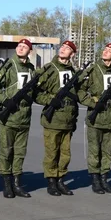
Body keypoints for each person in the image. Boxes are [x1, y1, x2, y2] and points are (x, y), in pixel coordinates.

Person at [35, 40, 79, 196]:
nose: (63, 49)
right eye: (63, 47)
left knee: (65, 153)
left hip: (68, 119)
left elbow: (76, 96)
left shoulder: (73, 72)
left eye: (67, 48)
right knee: (52, 152)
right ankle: (51, 181)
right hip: (53, 118)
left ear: (72, 54)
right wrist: (49, 100)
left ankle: (61, 179)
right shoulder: (48, 69)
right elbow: (37, 93)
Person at [77, 43, 111, 194]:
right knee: (94, 150)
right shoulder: (93, 69)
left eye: (109, 51)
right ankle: (95, 180)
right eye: (105, 49)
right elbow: (79, 89)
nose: (105, 52)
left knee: (107, 151)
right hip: (96, 117)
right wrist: (92, 102)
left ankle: (104, 179)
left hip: (110, 117)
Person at [0, 38, 36, 198]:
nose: (20, 48)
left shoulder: (31, 68)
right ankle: (7, 184)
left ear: (29, 51)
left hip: (24, 117)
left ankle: (17, 183)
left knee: (20, 152)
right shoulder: (8, 66)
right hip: (9, 116)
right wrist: (6, 101)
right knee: (6, 151)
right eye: (19, 46)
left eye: (24, 47)